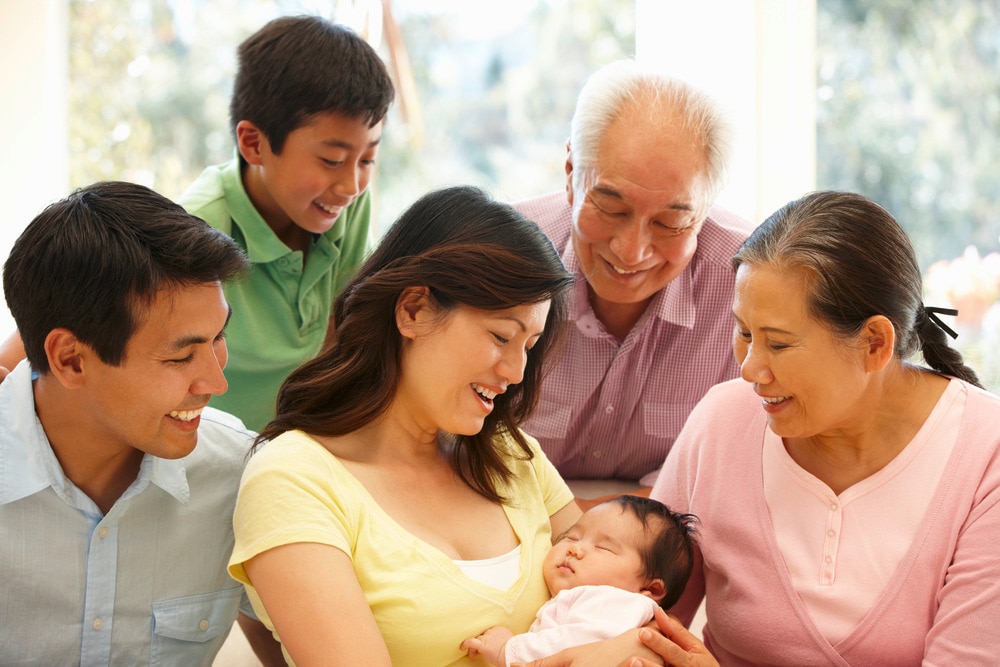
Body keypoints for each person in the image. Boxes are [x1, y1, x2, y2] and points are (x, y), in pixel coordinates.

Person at [227, 186, 666, 667]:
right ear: (413, 310)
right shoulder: (293, 480)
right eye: (501, 336)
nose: (517, 372)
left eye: (531, 345)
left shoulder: (509, 452)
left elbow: (639, 622)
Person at [646, 191, 1000, 665]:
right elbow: (635, 622)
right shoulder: (722, 421)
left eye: (779, 343)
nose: (750, 370)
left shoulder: (986, 456)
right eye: (745, 333)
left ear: (874, 343)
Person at [0, 182, 281, 665]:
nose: (215, 382)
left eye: (218, 338)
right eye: (181, 356)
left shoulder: (244, 477)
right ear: (70, 360)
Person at [514, 59, 756, 501]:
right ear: (571, 175)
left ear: (706, 209)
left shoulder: (751, 289)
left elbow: (739, 472)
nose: (631, 251)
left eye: (670, 223)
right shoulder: (498, 259)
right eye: (611, 209)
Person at [177, 15, 395, 430]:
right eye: (331, 160)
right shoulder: (195, 228)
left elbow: (341, 338)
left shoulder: (344, 207)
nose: (351, 185)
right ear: (254, 143)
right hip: (207, 460)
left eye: (367, 159)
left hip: (296, 445)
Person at [462, 495, 698, 666]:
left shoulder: (616, 602)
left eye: (603, 547)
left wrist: (508, 649)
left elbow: (577, 647)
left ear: (649, 587)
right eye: (571, 537)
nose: (575, 549)